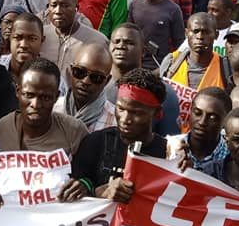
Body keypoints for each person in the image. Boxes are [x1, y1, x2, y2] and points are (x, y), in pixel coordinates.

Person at [71, 69, 172, 202]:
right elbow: (79, 184)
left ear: (157, 113)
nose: (125, 119)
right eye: (121, 109)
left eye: (136, 113)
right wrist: (100, 191)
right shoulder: (95, 142)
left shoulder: (168, 154)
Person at [0, 57, 88, 157]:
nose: (36, 104)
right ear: (17, 91)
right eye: (29, 95)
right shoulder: (2, 129)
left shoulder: (74, 132)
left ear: (56, 96)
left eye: (45, 97)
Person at [161, 13, 228, 130]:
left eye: (206, 32)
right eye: (195, 31)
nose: (200, 37)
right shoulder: (172, 61)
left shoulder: (226, 68)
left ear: (216, 35)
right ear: (186, 33)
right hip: (171, 139)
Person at [41, 0, 108, 85]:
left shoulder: (97, 41)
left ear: (76, 8)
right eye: (54, 5)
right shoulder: (41, 35)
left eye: (65, 6)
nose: (58, 11)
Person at [128, 0, 185, 67]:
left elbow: (180, 43)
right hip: (135, 64)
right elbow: (129, 34)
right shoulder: (134, 5)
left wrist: (171, 66)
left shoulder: (173, 9)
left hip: (160, 65)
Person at [55, 42, 116, 132]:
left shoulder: (115, 122)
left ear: (107, 81)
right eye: (80, 72)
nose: (85, 81)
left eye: (96, 77)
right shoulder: (52, 109)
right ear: (71, 70)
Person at [165, 87, 231, 170]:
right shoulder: (169, 147)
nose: (202, 122)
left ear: (226, 121)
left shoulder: (232, 156)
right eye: (197, 113)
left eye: (212, 117)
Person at [0, 12, 44, 86]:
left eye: (32, 39)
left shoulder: (51, 77)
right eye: (18, 38)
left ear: (42, 41)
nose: (24, 45)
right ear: (10, 38)